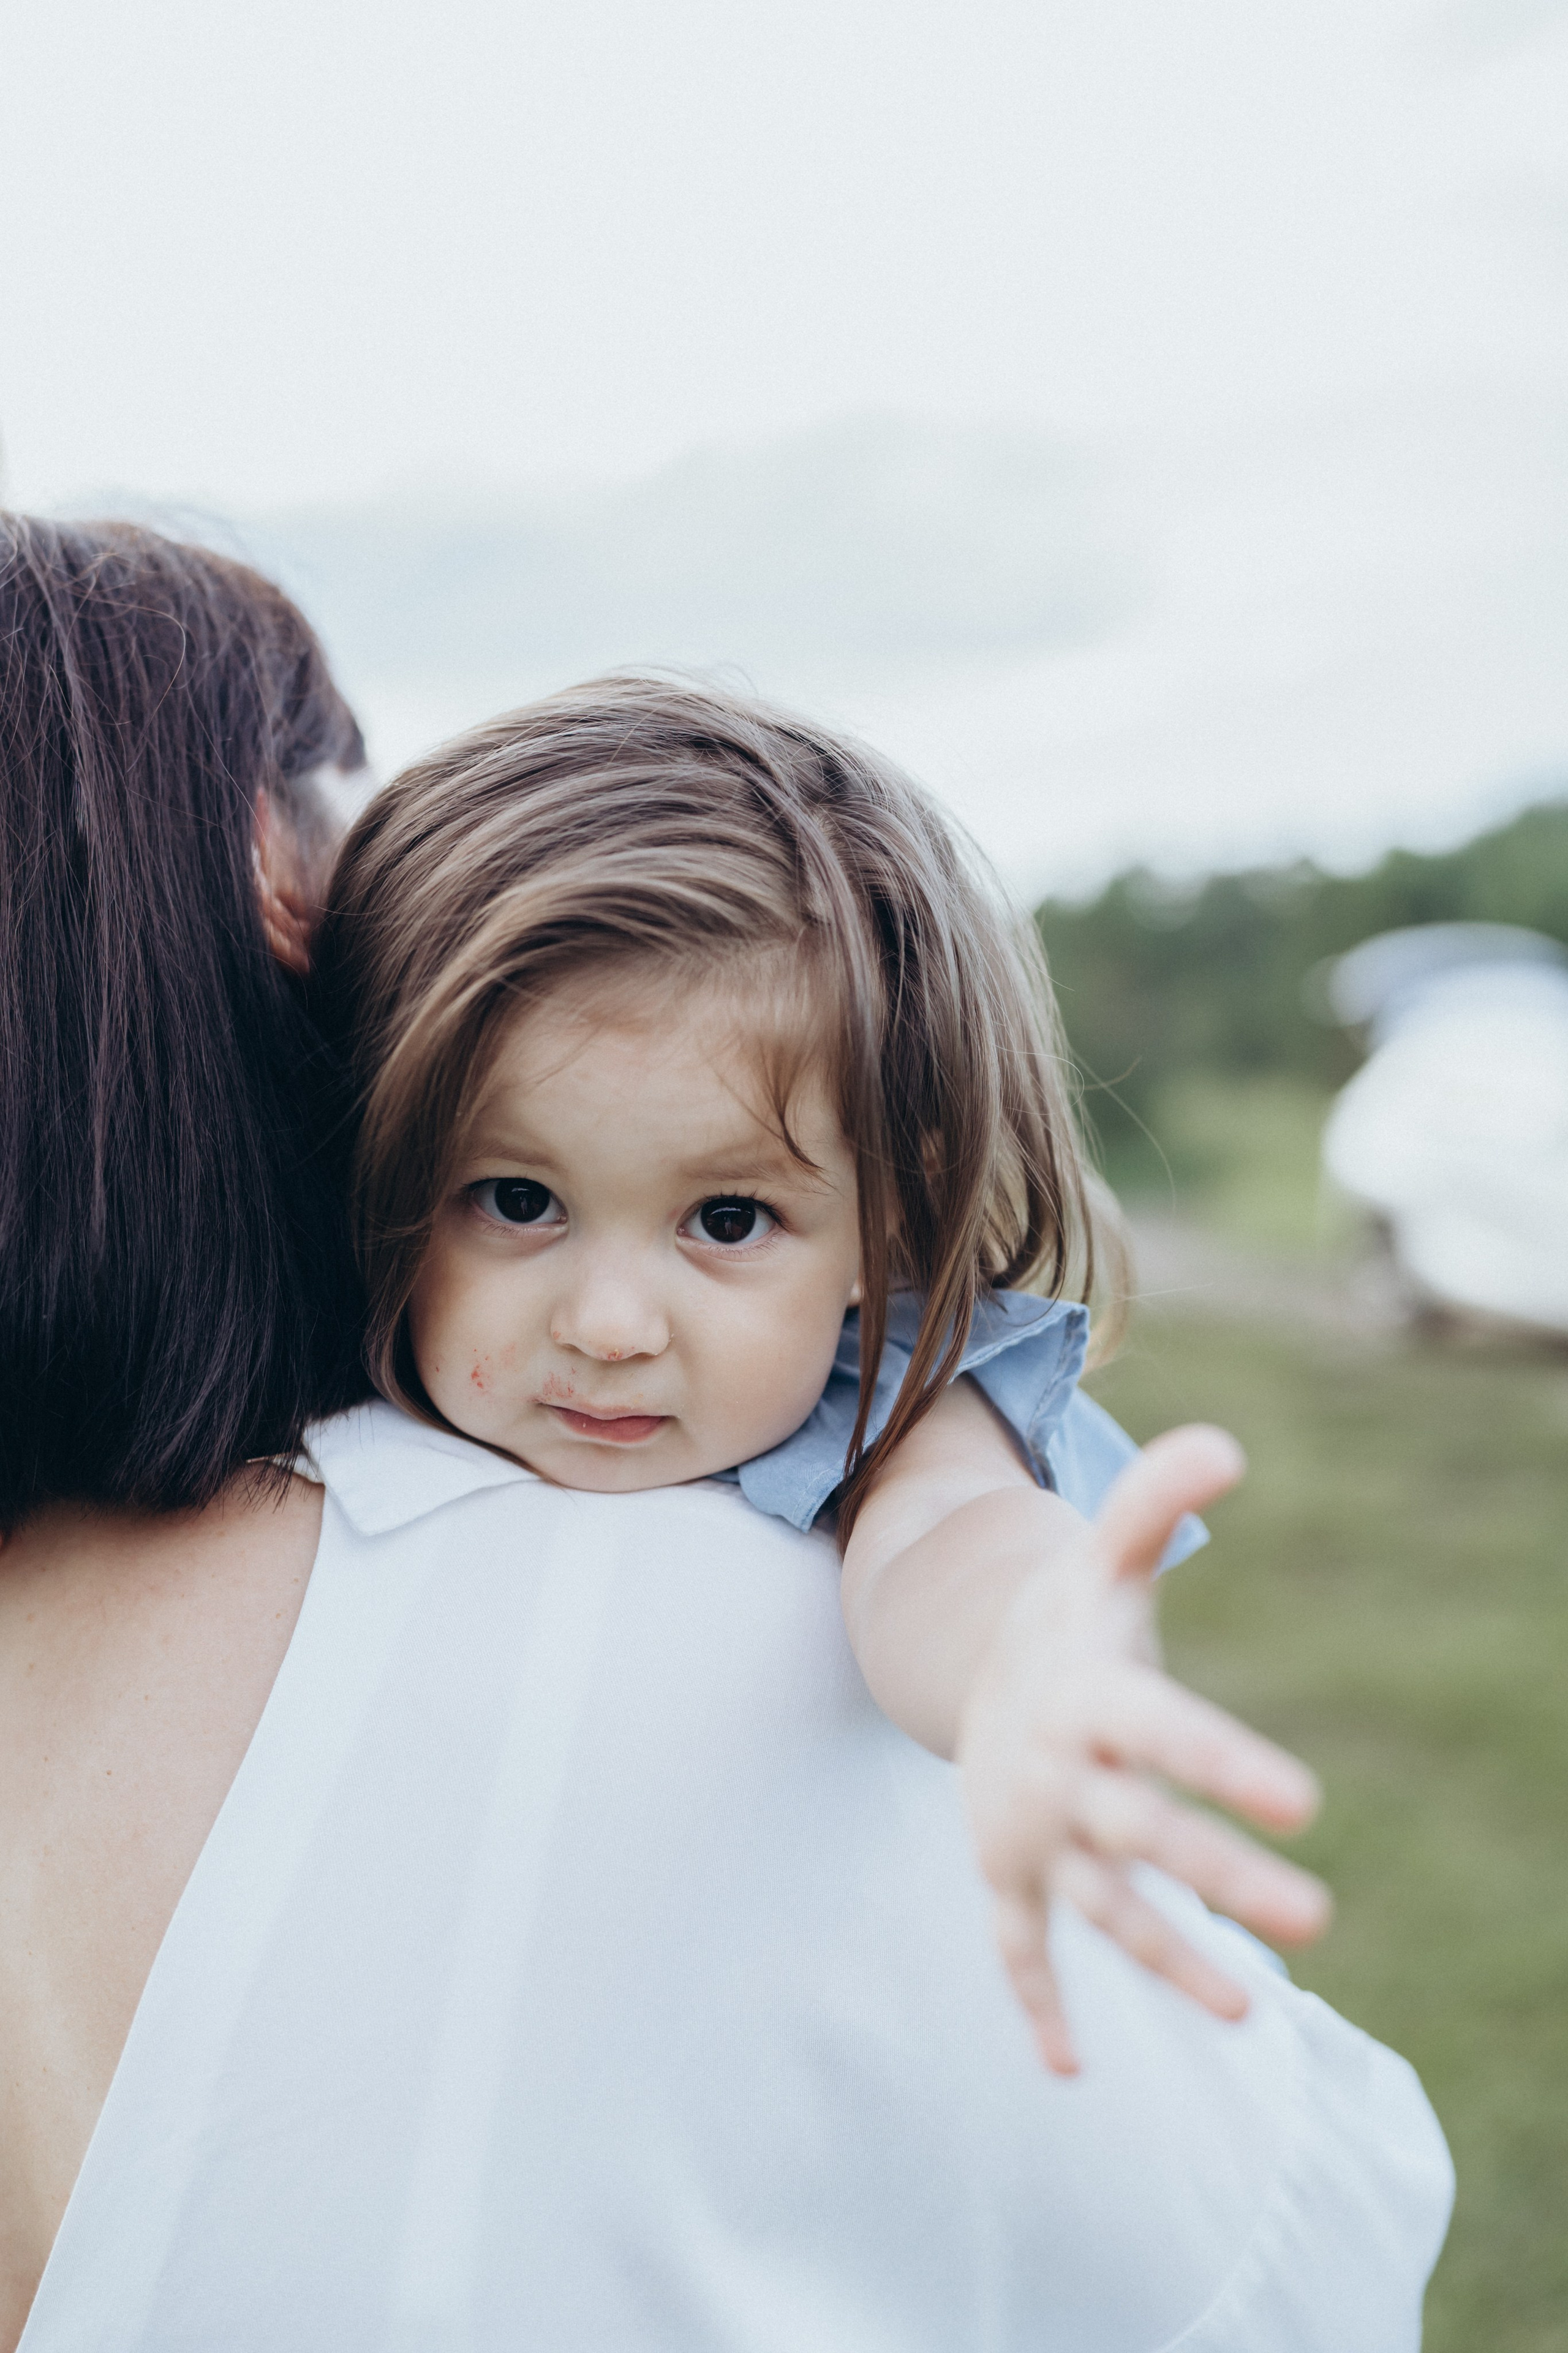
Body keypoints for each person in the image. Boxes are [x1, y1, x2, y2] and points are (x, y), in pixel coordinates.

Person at [0, 530, 1450, 2349]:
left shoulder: (882, 1404)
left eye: (731, 1222)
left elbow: (946, 1541)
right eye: (513, 1197)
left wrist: (1022, 1676)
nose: (612, 1323)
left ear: (889, 1243)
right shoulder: (370, 1406)